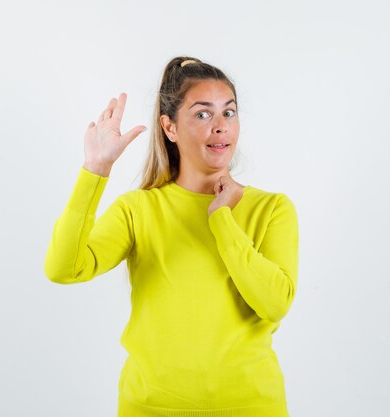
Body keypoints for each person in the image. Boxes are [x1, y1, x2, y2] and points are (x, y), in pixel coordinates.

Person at [44, 56, 299, 417]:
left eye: (229, 112)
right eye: (202, 114)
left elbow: (275, 304)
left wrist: (223, 219)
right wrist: (96, 169)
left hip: (251, 407)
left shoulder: (272, 209)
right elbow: (63, 268)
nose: (220, 126)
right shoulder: (138, 209)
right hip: (150, 408)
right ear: (170, 127)